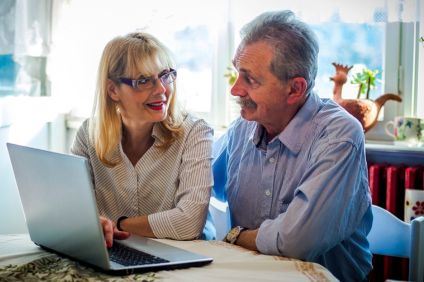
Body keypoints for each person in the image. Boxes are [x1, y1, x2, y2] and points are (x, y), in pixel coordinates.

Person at [213, 10, 372, 281]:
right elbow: (196, 188)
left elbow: (296, 242)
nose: (235, 90)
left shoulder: (339, 135)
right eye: (237, 74)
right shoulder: (242, 129)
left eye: (250, 79)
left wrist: (235, 236)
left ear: (295, 89)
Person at [71, 32, 213, 247]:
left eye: (165, 75)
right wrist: (87, 222)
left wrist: (118, 225)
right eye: (144, 81)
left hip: (184, 254)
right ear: (113, 90)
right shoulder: (88, 135)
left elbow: (189, 223)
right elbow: (74, 210)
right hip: (116, 251)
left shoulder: (194, 132)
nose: (161, 90)